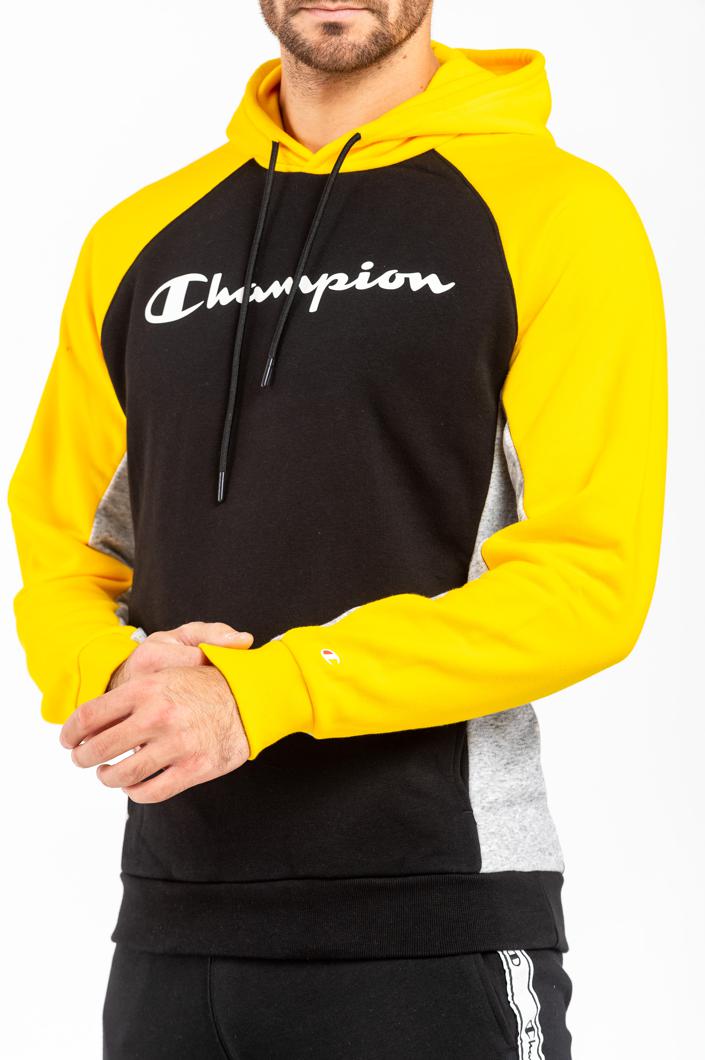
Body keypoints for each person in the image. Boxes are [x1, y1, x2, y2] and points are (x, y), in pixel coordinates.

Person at [7, 1, 667, 1057]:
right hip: (172, 922)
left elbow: (589, 581)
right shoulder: (140, 236)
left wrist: (260, 693)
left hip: (429, 911)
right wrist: (109, 674)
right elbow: (63, 549)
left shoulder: (556, 213)